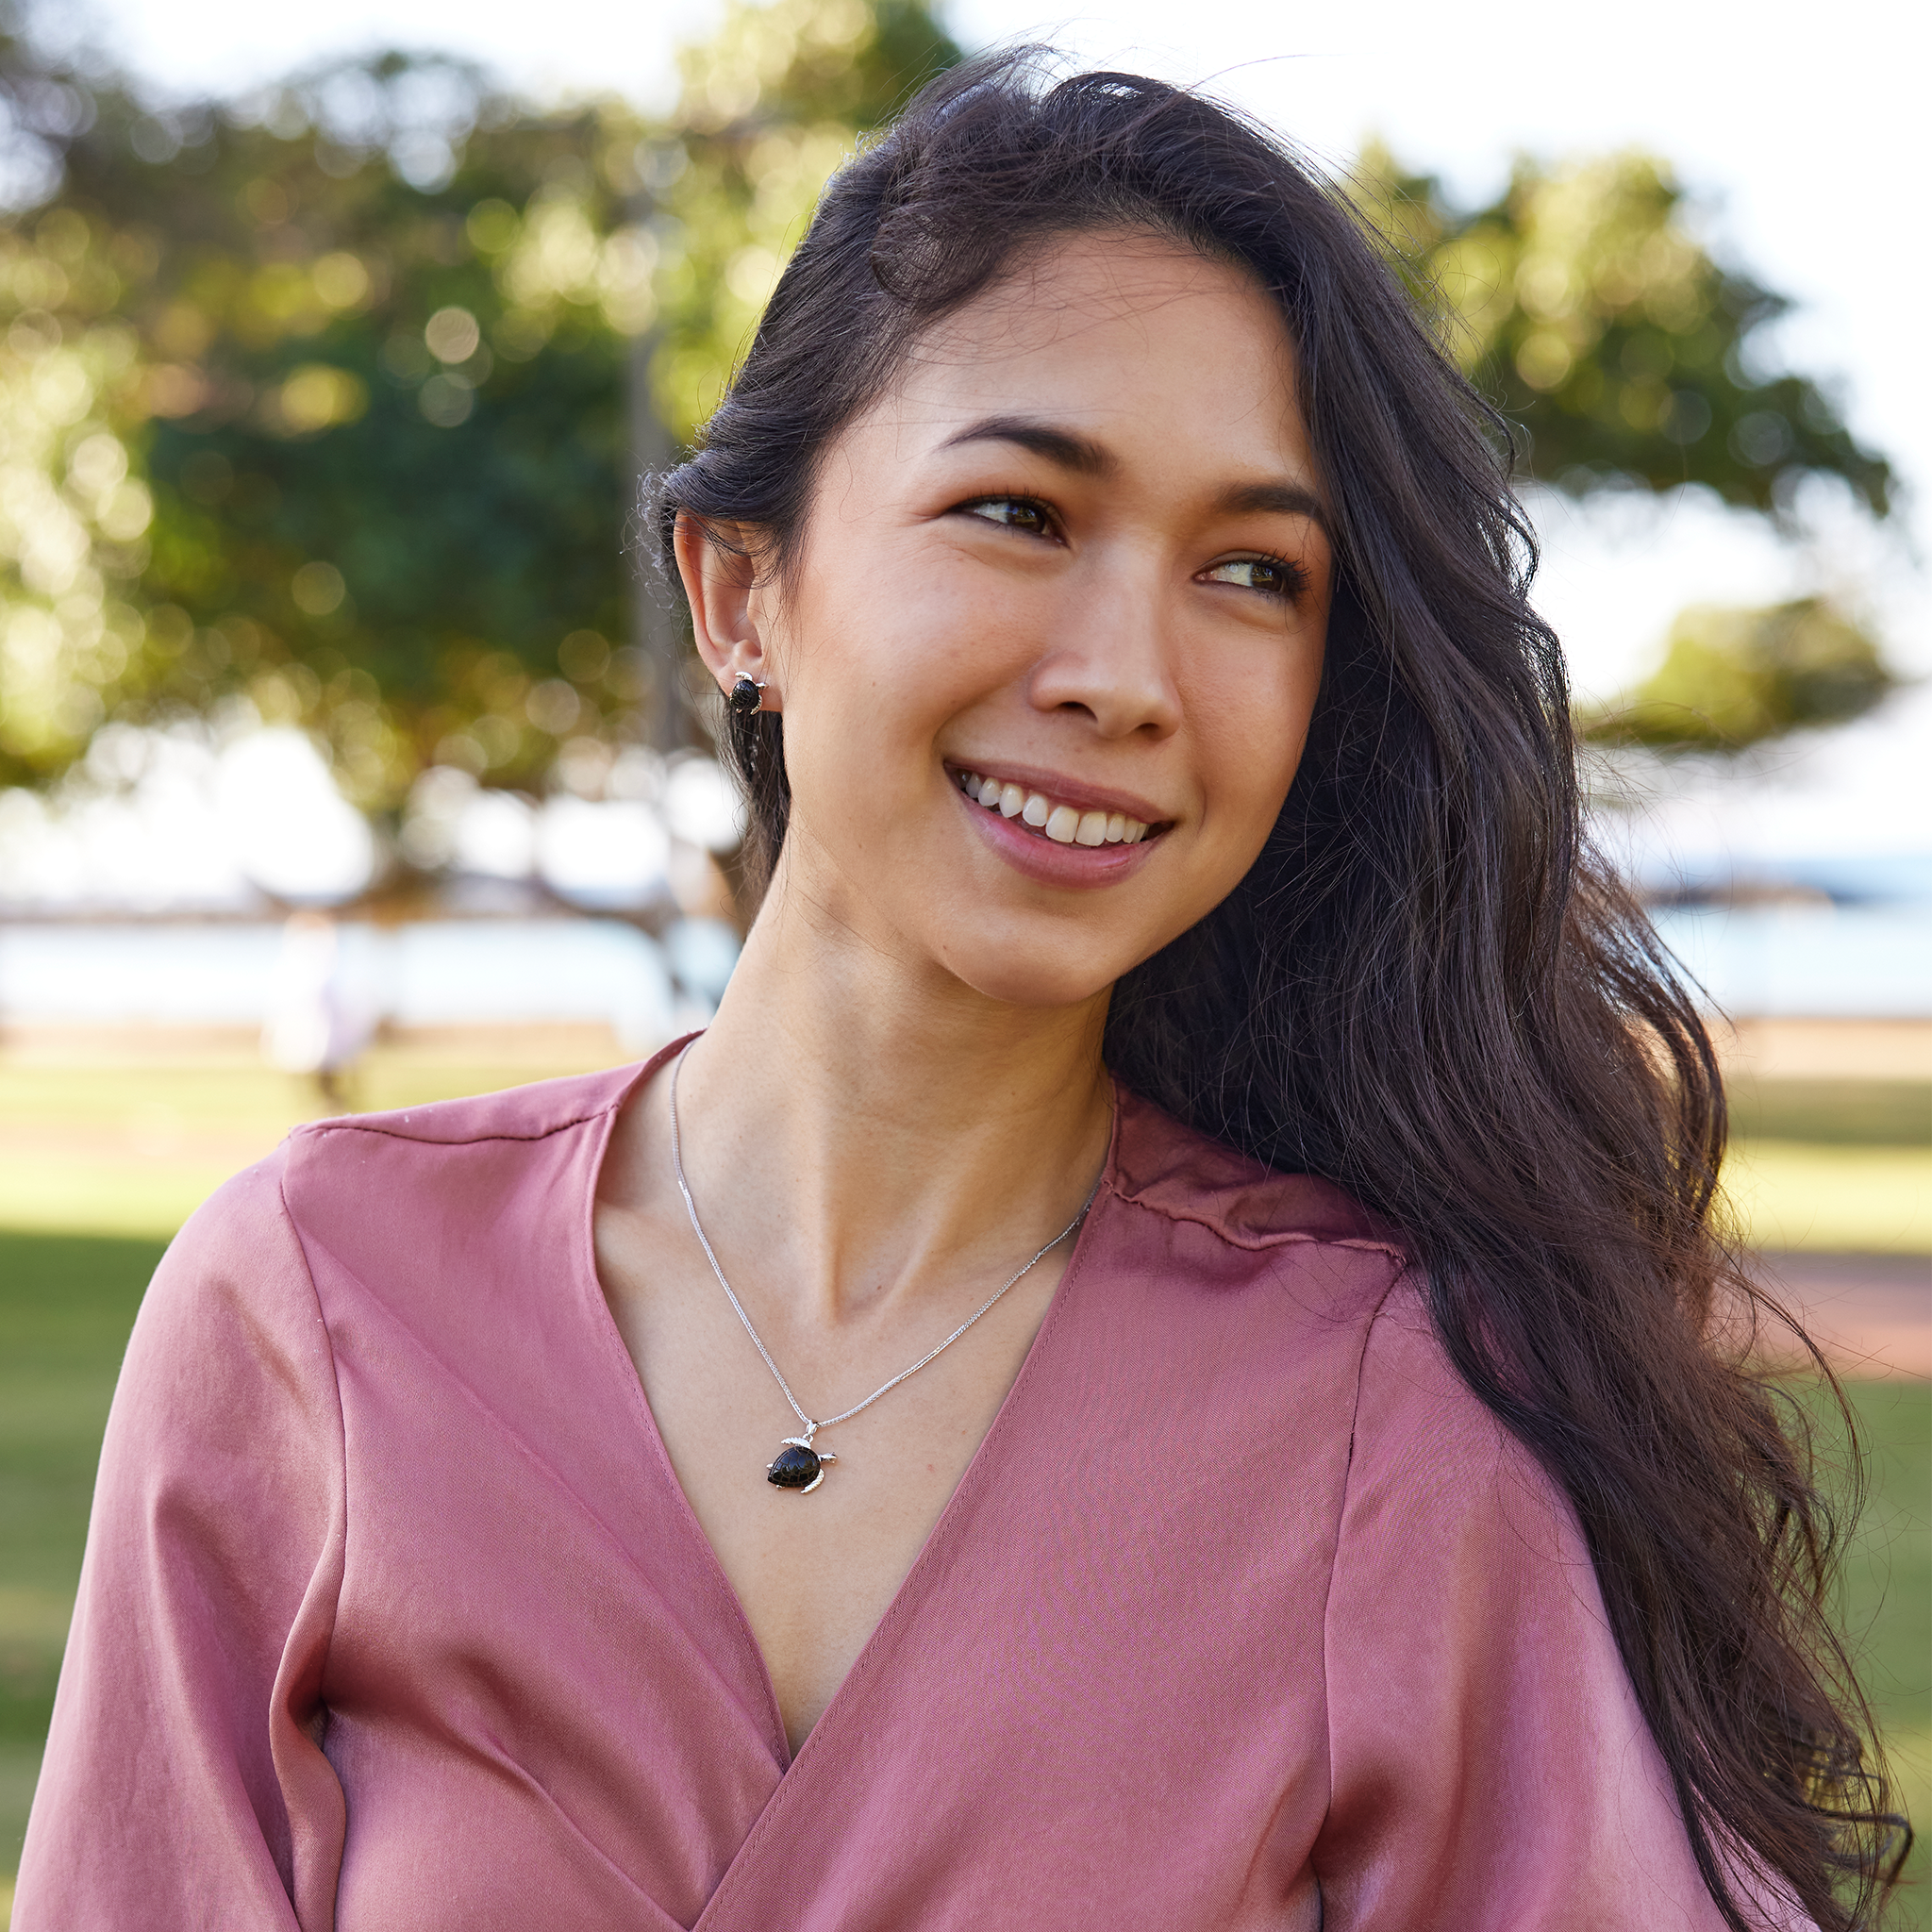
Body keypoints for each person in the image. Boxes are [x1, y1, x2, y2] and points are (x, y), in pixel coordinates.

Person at [15, 54, 1905, 1932]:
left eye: (1253, 573)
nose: (1124, 676)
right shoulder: (320, 1306)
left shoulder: (1384, 1420)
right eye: (1019, 511)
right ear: (740, 591)